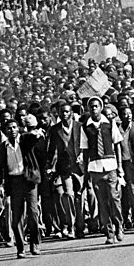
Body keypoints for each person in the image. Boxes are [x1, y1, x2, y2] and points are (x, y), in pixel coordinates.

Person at [81, 96, 124, 245]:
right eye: (91, 107)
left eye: (96, 106)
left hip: (110, 165)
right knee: (102, 202)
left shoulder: (109, 123)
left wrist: (119, 167)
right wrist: (86, 172)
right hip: (95, 167)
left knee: (114, 198)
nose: (94, 109)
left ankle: (119, 226)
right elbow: (85, 151)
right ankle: (109, 232)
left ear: (101, 108)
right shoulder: (85, 127)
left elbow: (117, 145)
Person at [47, 101, 84, 238]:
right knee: (69, 195)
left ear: (72, 113)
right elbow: (52, 151)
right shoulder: (55, 130)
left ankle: (81, 225)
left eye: (67, 111)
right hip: (64, 168)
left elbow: (86, 145)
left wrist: (82, 156)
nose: (64, 114)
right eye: (62, 112)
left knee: (80, 197)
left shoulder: (80, 127)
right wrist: (51, 167)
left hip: (80, 167)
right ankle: (71, 226)